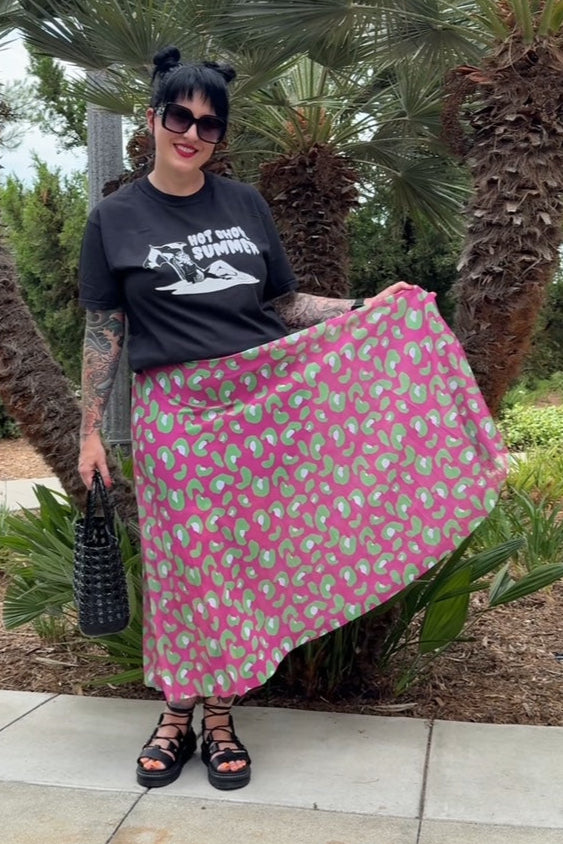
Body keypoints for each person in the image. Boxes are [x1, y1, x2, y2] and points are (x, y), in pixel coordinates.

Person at [78, 46, 507, 792]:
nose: (191, 132)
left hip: (260, 408)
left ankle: (219, 718)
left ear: (220, 135)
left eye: (209, 124)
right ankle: (175, 716)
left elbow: (281, 305)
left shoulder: (243, 205)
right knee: (184, 570)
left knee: (242, 561)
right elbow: (103, 328)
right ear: (153, 118)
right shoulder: (115, 218)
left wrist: (366, 310)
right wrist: (90, 429)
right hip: (175, 414)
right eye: (179, 116)